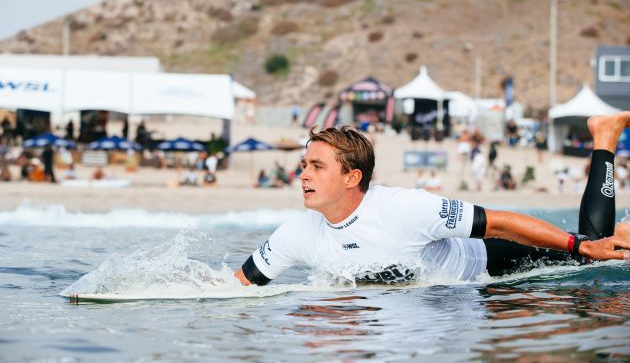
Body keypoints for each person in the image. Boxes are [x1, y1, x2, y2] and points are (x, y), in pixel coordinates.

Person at [235, 112, 630, 286]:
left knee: (595, 249)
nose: (303, 173)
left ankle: (605, 137)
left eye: (317, 166)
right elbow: (239, 286)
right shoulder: (295, 234)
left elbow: (500, 222)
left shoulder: (405, 208)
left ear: (352, 177)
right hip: (454, 300)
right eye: (304, 164)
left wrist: (579, 245)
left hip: (488, 266)